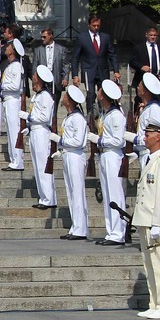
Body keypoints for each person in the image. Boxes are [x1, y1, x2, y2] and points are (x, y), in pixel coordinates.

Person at [132, 120, 160, 319]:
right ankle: (155, 302)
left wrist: (158, 223)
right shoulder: (150, 159)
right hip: (144, 219)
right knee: (149, 264)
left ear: (159, 137)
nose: (145, 137)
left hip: (155, 221)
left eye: (148, 134)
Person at [92, 80, 128, 246]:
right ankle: (111, 231)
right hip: (105, 156)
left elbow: (119, 140)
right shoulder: (106, 114)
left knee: (115, 194)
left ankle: (118, 232)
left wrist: (100, 141)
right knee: (107, 194)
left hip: (113, 155)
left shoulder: (116, 115)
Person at [54, 84, 89, 240]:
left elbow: (78, 141)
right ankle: (75, 226)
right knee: (70, 191)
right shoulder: (69, 117)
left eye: (66, 96)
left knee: (77, 191)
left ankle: (81, 229)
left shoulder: (78, 118)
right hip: (68, 155)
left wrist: (60, 140)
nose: (63, 98)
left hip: (75, 156)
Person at [71, 15, 120, 111]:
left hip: (103, 70)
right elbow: (75, 57)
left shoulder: (105, 37)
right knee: (91, 94)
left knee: (104, 94)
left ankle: (103, 113)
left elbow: (112, 54)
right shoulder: (82, 38)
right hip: (88, 71)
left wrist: (116, 70)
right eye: (94, 25)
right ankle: (91, 116)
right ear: (89, 25)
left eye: (98, 25)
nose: (96, 27)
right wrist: (75, 75)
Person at [27, 65, 57, 210]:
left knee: (42, 165)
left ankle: (48, 198)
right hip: (34, 131)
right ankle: (44, 196)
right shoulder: (37, 95)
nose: (32, 77)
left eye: (34, 76)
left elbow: (45, 117)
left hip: (41, 132)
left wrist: (29, 117)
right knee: (37, 165)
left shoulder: (45, 96)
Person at [0, 39, 25, 168]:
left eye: (9, 47)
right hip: (7, 100)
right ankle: (13, 159)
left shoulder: (16, 66)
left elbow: (15, 86)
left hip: (13, 101)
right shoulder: (10, 66)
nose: (6, 48)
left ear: (13, 51)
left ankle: (17, 160)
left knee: (14, 130)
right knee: (10, 130)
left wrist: (1, 86)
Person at [132, 73, 160, 168]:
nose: (138, 87)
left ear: (144, 92)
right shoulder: (147, 109)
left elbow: (156, 136)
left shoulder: (154, 109)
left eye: (140, 85)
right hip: (143, 152)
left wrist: (135, 139)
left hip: (150, 153)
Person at [33, 28, 69, 108]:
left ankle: (54, 120)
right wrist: (34, 82)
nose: (42, 39)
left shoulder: (61, 49)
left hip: (56, 81)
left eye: (44, 37)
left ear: (51, 36)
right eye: (42, 37)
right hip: (42, 82)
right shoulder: (38, 50)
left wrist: (65, 78)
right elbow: (35, 66)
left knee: (54, 107)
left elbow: (65, 65)